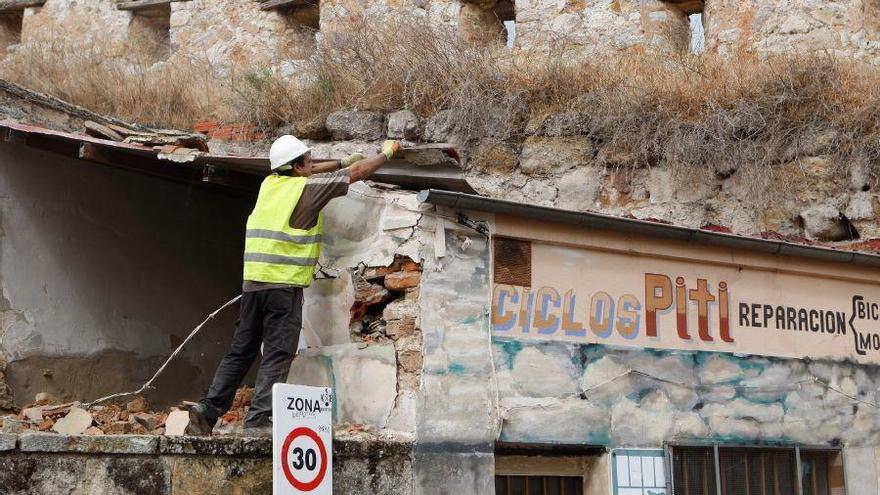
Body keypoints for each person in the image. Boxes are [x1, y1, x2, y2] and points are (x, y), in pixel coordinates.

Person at [186, 136, 401, 435]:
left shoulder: (270, 185)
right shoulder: (307, 190)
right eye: (308, 160)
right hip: (282, 290)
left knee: (241, 351)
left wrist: (339, 161)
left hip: (253, 287)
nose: (312, 164)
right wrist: (386, 154)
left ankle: (207, 411)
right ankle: (259, 421)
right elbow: (359, 173)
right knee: (277, 353)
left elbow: (312, 170)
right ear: (299, 167)